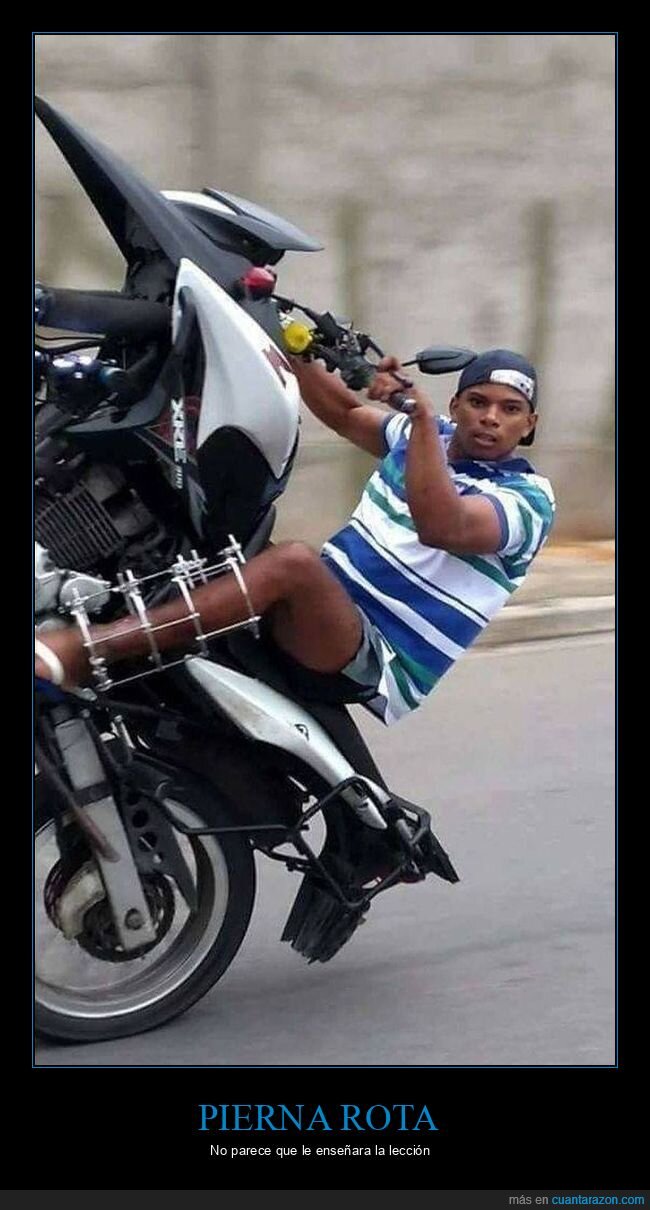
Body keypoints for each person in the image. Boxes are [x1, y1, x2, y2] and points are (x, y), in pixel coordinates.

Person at [34, 348, 555, 724]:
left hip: (373, 657)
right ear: (457, 405)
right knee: (212, 534)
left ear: (528, 425)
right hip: (324, 615)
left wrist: (418, 420)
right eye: (478, 402)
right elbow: (345, 412)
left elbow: (442, 524)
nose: (490, 418)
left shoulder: (529, 499)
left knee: (294, 564)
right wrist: (285, 336)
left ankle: (83, 650)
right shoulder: (426, 438)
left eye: (509, 410)